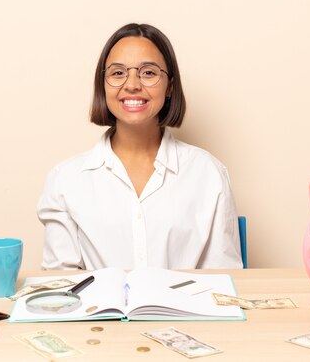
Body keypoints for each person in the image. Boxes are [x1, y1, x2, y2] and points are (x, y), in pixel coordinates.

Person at [37, 23, 242, 270]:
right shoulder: (64, 180)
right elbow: (62, 285)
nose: (132, 84)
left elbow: (224, 280)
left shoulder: (209, 173)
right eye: (118, 73)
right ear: (102, 84)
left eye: (148, 73)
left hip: (187, 310)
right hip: (100, 310)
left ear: (170, 87)